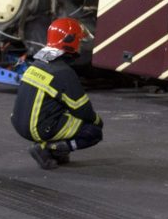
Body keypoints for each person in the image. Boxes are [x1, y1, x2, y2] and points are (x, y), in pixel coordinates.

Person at [11, 17, 103, 169]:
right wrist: (97, 121)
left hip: (20, 123)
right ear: (70, 41)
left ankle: (54, 151)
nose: (80, 45)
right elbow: (82, 109)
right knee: (93, 131)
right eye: (79, 41)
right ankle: (49, 149)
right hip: (37, 128)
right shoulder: (63, 72)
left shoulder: (36, 65)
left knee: (63, 110)